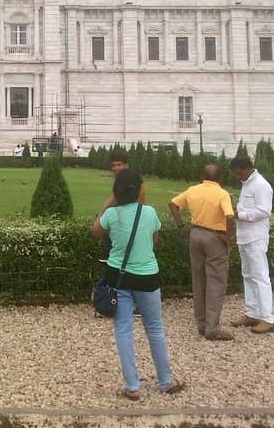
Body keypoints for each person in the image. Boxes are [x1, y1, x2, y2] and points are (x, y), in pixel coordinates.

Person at [91, 169, 184, 400]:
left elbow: (95, 231)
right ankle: (165, 380)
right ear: (139, 189)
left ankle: (132, 386)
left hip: (118, 276)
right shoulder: (149, 212)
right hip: (147, 276)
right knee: (155, 329)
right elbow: (154, 239)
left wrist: (108, 203)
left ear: (117, 191)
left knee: (123, 330)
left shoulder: (112, 214)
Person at [169, 164, 236, 340]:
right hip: (214, 237)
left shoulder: (192, 190)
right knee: (216, 282)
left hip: (196, 234)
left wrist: (182, 227)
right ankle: (212, 328)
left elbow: (173, 204)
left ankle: (201, 324)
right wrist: (228, 237)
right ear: (221, 178)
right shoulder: (222, 194)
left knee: (198, 279)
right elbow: (230, 216)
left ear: (202, 176)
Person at [230, 157, 274, 333]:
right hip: (244, 236)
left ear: (246, 169)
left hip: (256, 237)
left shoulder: (261, 185)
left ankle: (268, 318)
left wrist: (239, 215)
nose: (237, 176)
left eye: (238, 173)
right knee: (248, 275)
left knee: (260, 276)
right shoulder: (247, 184)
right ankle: (252, 313)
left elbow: (264, 211)